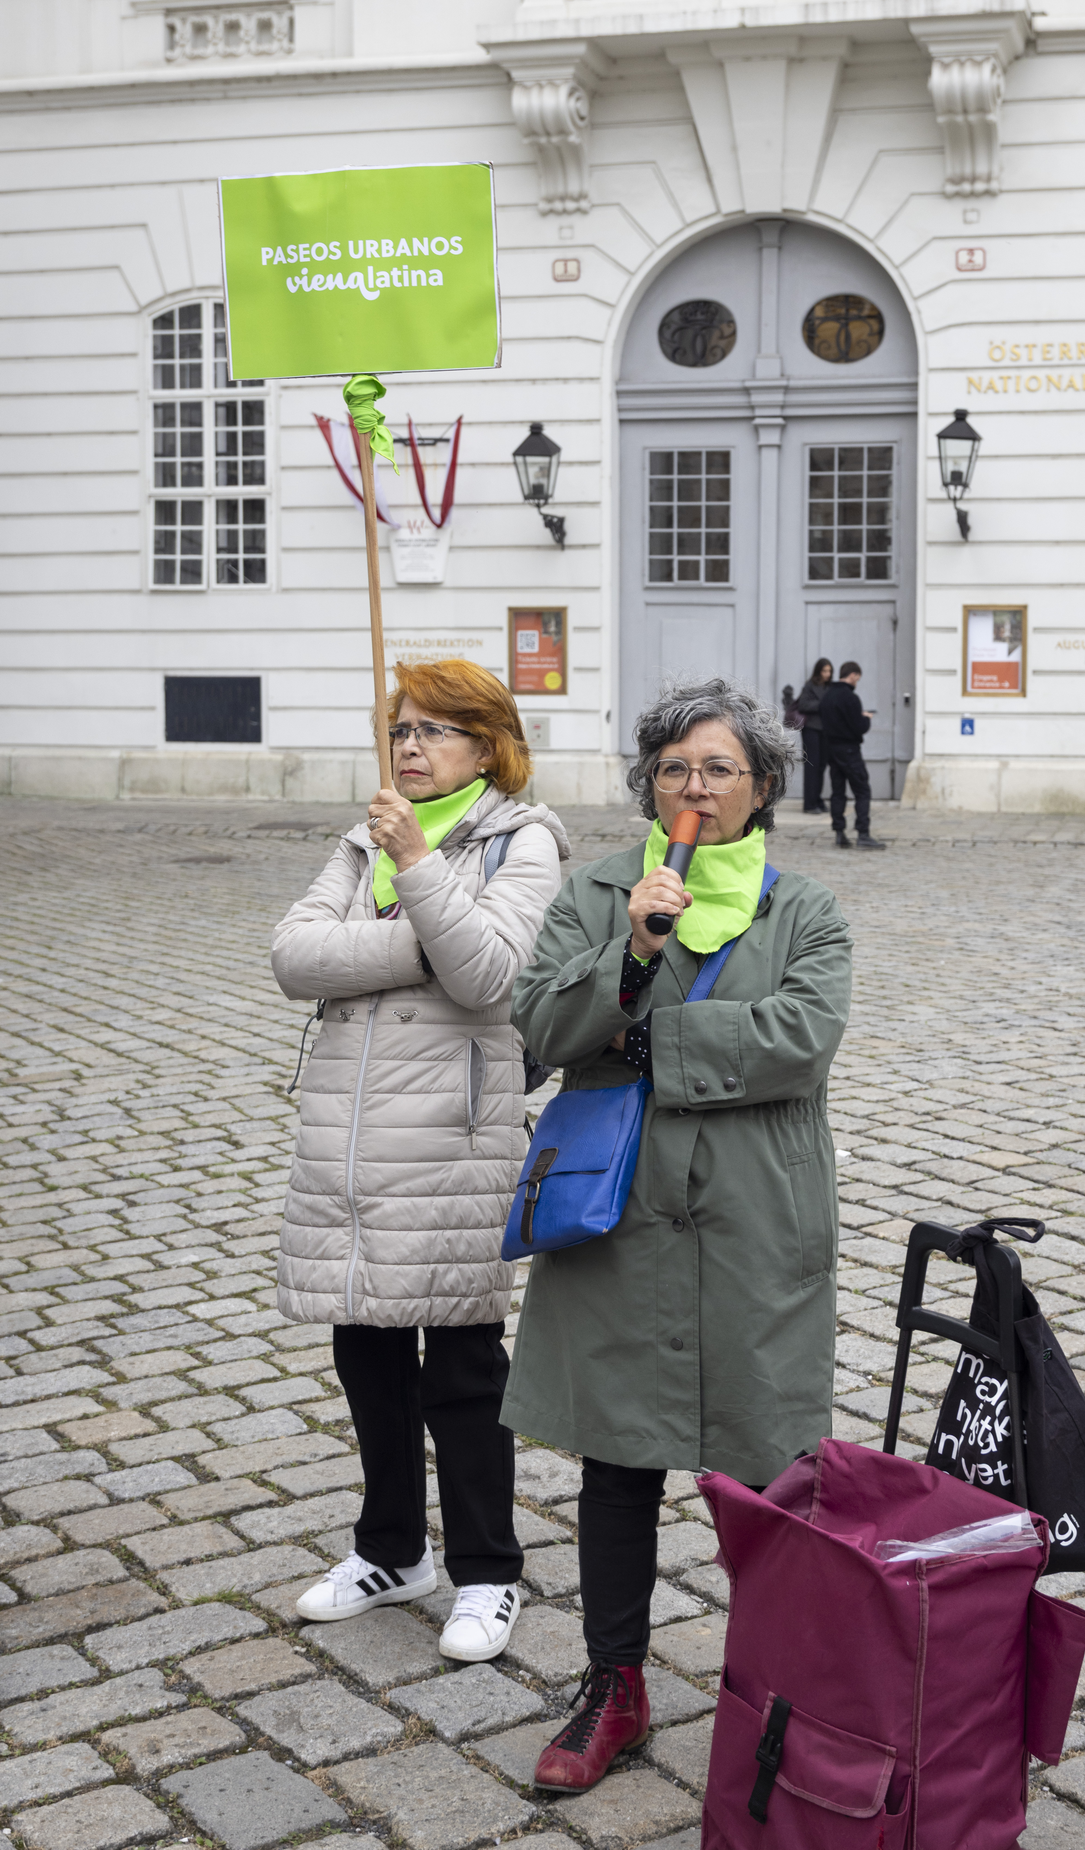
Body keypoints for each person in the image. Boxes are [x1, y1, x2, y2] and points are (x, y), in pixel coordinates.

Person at [503, 676, 853, 1790]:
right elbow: (541, 1025)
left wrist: (652, 1041)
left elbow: (801, 1035)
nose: (694, 786)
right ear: (646, 783)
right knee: (617, 1456)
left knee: (766, 1468)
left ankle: (782, 1688)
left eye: (719, 768)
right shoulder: (602, 889)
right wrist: (633, 951)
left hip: (757, 1214)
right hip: (621, 1213)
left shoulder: (805, 910)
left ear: (760, 789)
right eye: (674, 768)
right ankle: (616, 1683)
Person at [271, 659, 570, 1663]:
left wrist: (418, 876)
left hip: (452, 1137)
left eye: (435, 729)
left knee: (463, 1367)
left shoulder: (522, 840)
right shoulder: (366, 837)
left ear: (485, 746)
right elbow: (295, 956)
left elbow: (490, 972)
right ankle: (391, 1549)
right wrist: (415, 934)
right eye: (402, 728)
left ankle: (487, 1569)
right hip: (351, 1140)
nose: (409, 745)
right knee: (365, 1356)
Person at [821, 661, 886, 851]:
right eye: (857, 678)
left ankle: (840, 833)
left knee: (838, 791)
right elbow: (859, 727)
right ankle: (863, 833)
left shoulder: (827, 696)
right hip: (849, 750)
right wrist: (865, 718)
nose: (857, 681)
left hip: (832, 750)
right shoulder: (850, 698)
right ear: (853, 675)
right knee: (862, 790)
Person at [796, 656, 833, 812]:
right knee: (812, 766)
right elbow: (803, 704)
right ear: (819, 671)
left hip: (826, 730)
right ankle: (809, 804)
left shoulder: (830, 687)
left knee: (821, 766)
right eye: (825, 671)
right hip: (811, 730)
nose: (827, 674)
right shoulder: (810, 685)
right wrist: (823, 704)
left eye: (830, 671)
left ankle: (817, 800)